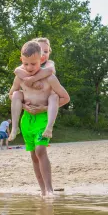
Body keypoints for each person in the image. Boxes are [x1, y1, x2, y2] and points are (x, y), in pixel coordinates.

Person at [9, 41, 70, 197]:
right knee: (33, 155)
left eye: (34, 64)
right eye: (27, 64)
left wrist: (44, 108)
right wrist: (24, 106)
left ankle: (49, 189)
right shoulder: (20, 77)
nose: (30, 68)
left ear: (41, 59)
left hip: (43, 118)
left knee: (41, 150)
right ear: (22, 60)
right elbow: (11, 95)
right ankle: (43, 191)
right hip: (27, 119)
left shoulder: (49, 78)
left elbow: (65, 97)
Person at [9, 38, 59, 141]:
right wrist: (33, 81)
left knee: (54, 97)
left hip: (46, 103)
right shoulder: (28, 63)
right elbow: (17, 70)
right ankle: (14, 127)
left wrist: (33, 79)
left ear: (49, 52)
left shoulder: (49, 63)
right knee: (17, 94)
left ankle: (49, 127)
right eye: (41, 50)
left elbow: (49, 71)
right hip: (29, 106)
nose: (44, 54)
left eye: (46, 51)